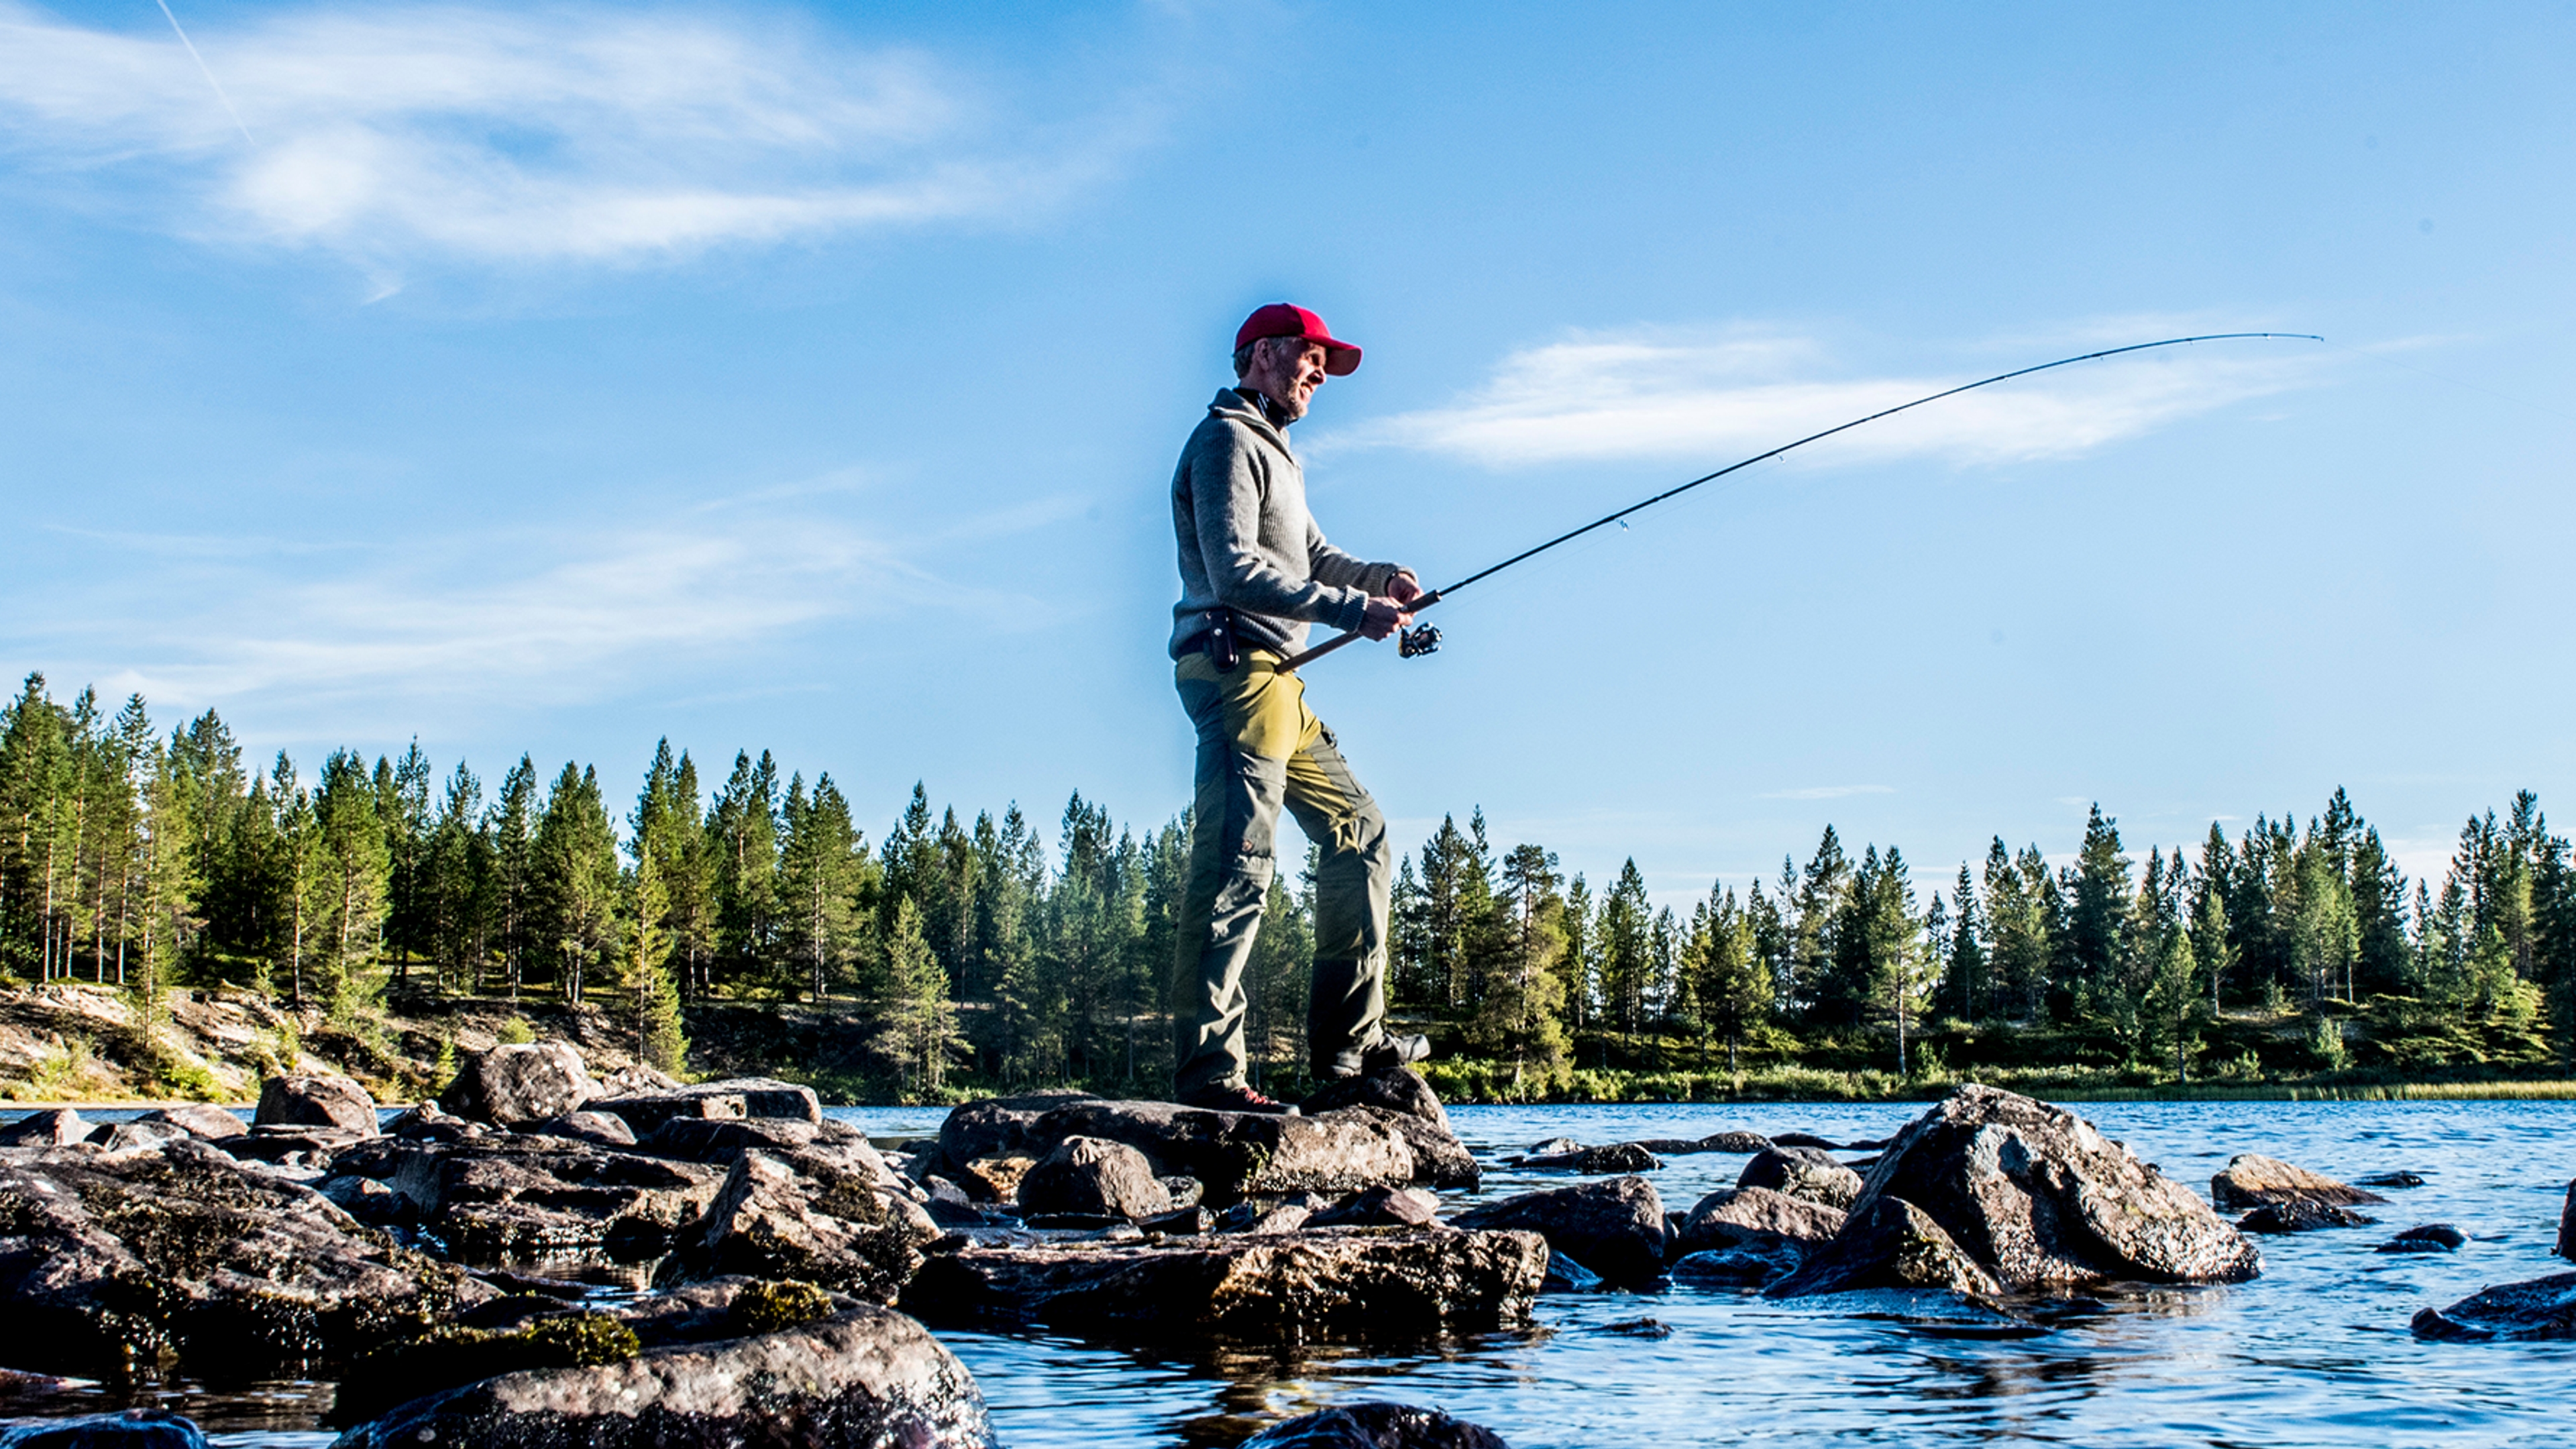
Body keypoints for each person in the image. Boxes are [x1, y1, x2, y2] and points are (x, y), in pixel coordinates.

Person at [1166, 302, 1432, 1114]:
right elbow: (1237, 567)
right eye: (1313, 358)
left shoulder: (1278, 452)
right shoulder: (1225, 442)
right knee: (1236, 868)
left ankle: (1350, 1054)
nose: (1320, 373)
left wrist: (1380, 579)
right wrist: (1353, 614)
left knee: (1363, 835)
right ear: (1264, 354)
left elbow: (1313, 555)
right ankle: (1211, 1077)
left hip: (1282, 680)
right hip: (1237, 671)